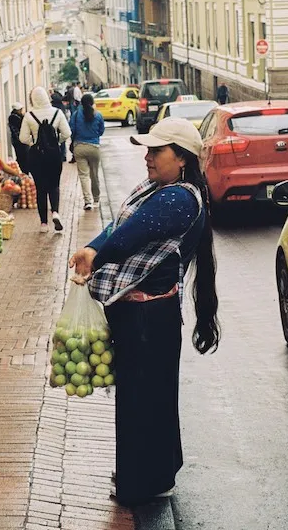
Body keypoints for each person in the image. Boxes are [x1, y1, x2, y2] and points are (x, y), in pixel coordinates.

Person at [69, 118, 220, 506]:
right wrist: (92, 247)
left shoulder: (179, 199)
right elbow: (121, 226)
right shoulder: (158, 190)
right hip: (144, 319)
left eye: (157, 151)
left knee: (143, 402)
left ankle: (141, 484)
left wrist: (96, 253)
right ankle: (156, 474)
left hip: (149, 320)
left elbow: (130, 235)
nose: (148, 157)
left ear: (182, 158)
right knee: (149, 399)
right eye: (148, 150)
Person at [19, 86, 71, 233]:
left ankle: (43, 224)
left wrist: (34, 142)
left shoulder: (29, 116)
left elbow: (22, 138)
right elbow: (67, 133)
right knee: (54, 185)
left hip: (36, 156)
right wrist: (56, 142)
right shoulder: (57, 113)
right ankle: (55, 212)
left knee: (41, 189)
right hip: (54, 156)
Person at [70, 93, 105, 211]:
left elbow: (72, 130)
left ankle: (87, 201)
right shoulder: (98, 115)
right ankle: (96, 199)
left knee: (83, 175)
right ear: (92, 102)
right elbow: (101, 131)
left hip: (79, 147)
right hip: (94, 147)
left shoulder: (75, 115)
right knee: (94, 175)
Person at [8, 103, 29, 173]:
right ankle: (24, 172)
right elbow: (16, 131)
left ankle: (25, 171)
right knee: (22, 157)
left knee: (24, 156)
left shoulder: (19, 117)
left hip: (21, 140)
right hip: (19, 142)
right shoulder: (14, 118)